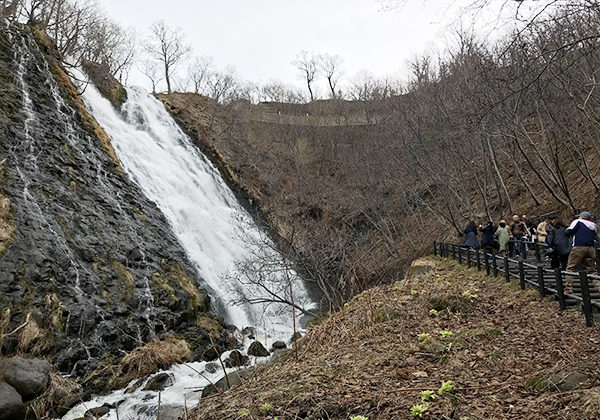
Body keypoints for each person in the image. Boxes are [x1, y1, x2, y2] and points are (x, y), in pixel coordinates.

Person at [564, 211, 598, 294]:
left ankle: (569, 287)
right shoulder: (593, 225)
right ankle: (598, 286)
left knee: (571, 268)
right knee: (592, 270)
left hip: (579, 247)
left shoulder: (578, 222)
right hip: (591, 248)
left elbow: (568, 232)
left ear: (582, 217)